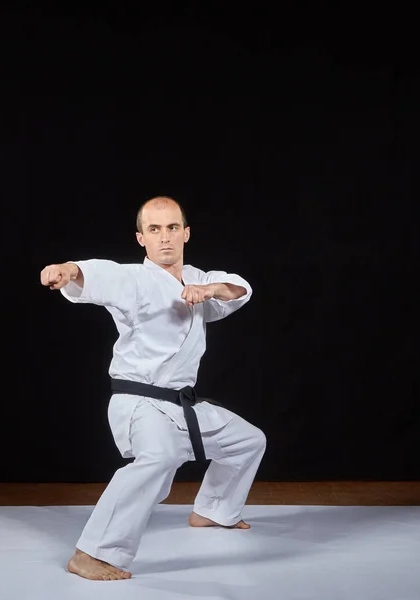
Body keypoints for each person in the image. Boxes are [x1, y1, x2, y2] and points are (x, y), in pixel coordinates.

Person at [40, 196, 266, 581]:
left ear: (186, 233)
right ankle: (92, 553)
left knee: (249, 441)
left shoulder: (199, 278)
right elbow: (100, 273)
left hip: (182, 405)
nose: (165, 237)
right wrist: (67, 269)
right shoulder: (135, 280)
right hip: (140, 403)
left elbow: (239, 289)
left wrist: (210, 290)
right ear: (141, 238)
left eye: (173, 227)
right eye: (154, 229)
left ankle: (214, 510)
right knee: (158, 459)